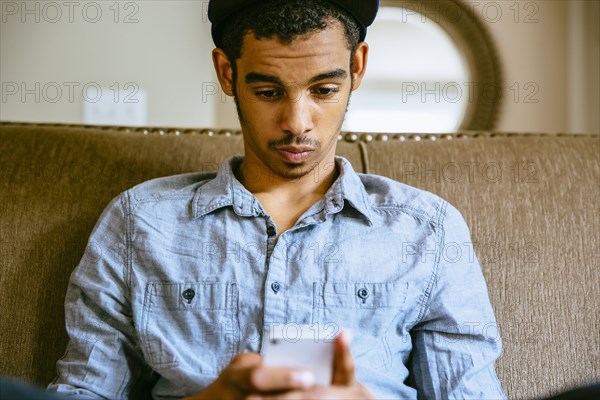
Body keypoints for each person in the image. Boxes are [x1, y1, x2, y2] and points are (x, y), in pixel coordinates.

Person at [48, 0, 506, 398]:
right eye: (268, 92)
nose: (297, 122)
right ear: (227, 73)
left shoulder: (426, 228)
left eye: (324, 90)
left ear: (358, 68)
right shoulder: (139, 222)